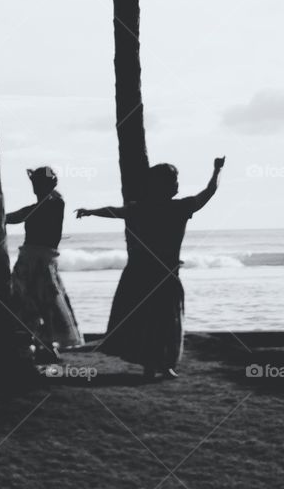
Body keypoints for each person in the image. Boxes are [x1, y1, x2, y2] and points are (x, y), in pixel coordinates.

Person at [76, 156, 225, 380]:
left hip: (146, 272)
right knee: (163, 320)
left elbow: (114, 211)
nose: (177, 185)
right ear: (163, 186)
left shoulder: (147, 208)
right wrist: (217, 170)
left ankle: (156, 365)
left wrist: (90, 211)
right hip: (158, 273)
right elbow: (210, 191)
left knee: (151, 320)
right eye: (173, 181)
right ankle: (160, 364)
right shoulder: (178, 207)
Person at [5, 167, 83, 363]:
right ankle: (37, 345)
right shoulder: (42, 205)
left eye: (39, 184)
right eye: (34, 184)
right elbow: (20, 215)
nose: (35, 188)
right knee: (26, 303)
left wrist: (6, 217)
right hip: (29, 258)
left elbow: (24, 214)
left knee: (47, 303)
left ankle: (46, 346)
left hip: (43, 260)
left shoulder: (55, 202)